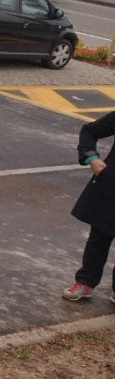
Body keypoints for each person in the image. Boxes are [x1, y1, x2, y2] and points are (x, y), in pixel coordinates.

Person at [63, 110, 115, 301]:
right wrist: (91, 158)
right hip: (112, 189)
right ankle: (85, 283)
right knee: (99, 237)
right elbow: (89, 131)